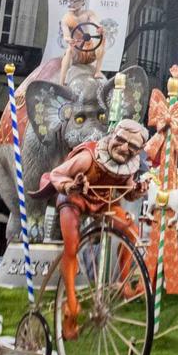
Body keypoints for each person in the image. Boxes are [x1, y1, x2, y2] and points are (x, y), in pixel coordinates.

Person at [40, 119, 148, 337]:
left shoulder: (127, 164)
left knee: (130, 230)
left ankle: (124, 283)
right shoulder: (88, 157)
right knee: (72, 246)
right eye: (121, 140)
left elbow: (128, 190)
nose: (125, 148)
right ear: (113, 135)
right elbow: (56, 174)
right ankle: (71, 306)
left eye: (133, 147)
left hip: (103, 202)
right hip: (75, 199)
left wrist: (138, 190)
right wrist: (70, 186)